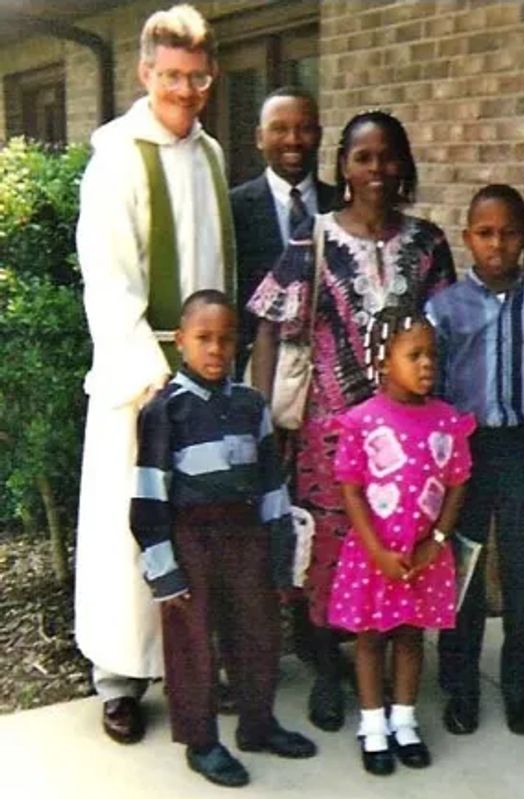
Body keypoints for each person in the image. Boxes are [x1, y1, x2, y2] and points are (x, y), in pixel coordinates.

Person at [248, 110, 457, 732]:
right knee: (330, 554)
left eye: (388, 156)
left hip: (409, 433)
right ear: (344, 166)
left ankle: (392, 671)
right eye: (364, 158)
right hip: (331, 432)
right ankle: (327, 673)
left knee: (396, 545)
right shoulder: (312, 238)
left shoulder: (428, 243)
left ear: (403, 164)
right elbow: (269, 323)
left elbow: (446, 332)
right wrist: (262, 417)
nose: (377, 170)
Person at [75, 4, 235, 744]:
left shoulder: (211, 154)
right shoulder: (115, 156)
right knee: (132, 528)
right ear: (145, 73)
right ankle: (121, 678)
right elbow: (107, 281)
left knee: (202, 523)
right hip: (142, 374)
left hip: (208, 370)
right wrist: (153, 377)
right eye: (171, 76)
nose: (185, 91)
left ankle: (196, 665)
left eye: (198, 77)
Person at [129, 290, 316, 788]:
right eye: (203, 338)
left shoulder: (250, 404)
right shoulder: (165, 411)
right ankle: (200, 740)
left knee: (257, 632)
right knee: (192, 642)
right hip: (190, 535)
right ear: (181, 342)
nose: (215, 349)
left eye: (225, 339)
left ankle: (258, 724)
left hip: (245, 533)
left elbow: (272, 480)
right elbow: (149, 495)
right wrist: (164, 570)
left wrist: (280, 553)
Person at [426, 184, 524, 737]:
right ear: (468, 238)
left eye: (509, 233)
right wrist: (436, 482)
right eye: (485, 233)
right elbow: (434, 400)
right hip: (464, 454)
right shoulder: (442, 310)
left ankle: (519, 691)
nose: (497, 244)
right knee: (460, 573)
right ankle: (460, 687)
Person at [328, 304, 475, 775]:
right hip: (375, 553)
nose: (427, 363)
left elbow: (457, 482)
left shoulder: (447, 421)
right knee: (370, 640)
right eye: (415, 355)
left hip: (423, 555)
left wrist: (436, 540)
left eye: (432, 354)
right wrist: (376, 551)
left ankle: (405, 721)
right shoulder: (363, 420)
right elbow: (350, 487)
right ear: (383, 362)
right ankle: (373, 727)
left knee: (412, 637)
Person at [231, 85, 336, 379]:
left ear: (319, 135)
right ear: (259, 138)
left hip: (330, 375)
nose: (292, 140)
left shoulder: (342, 207)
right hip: (254, 369)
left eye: (304, 129)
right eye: (279, 129)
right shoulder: (232, 209)